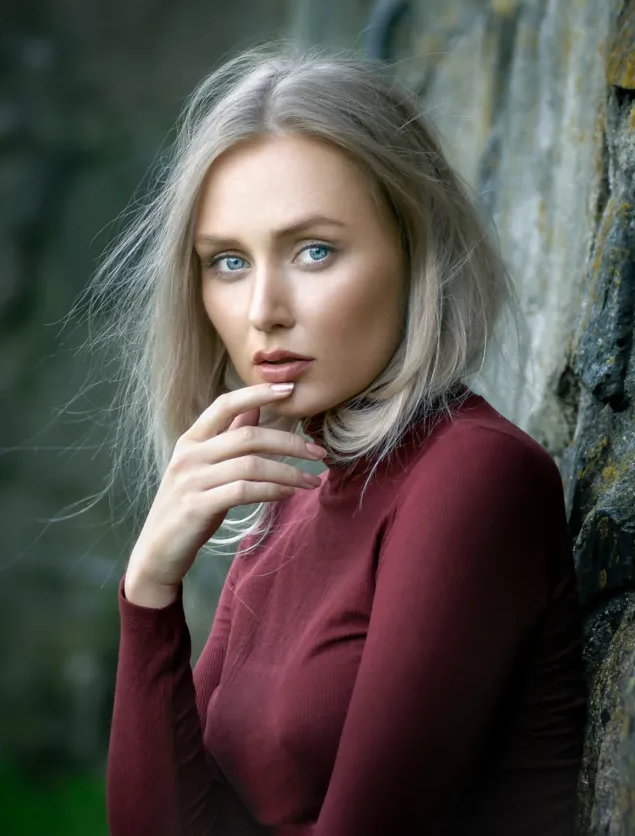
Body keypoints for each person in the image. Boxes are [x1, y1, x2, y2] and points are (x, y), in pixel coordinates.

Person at [89, 43, 587, 836]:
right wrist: (148, 588)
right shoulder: (295, 489)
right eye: (227, 261)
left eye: (313, 250)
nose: (263, 310)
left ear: (415, 251)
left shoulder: (473, 476)